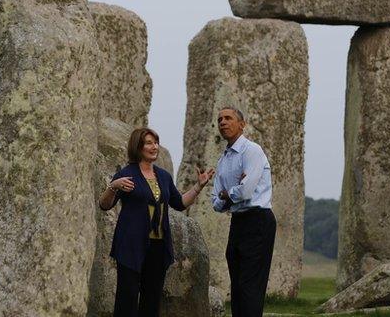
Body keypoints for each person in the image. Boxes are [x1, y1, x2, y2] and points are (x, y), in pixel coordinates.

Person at [99, 127, 214, 317]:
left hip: (158, 246)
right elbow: (105, 205)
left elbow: (179, 203)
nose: (155, 147)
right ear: (138, 147)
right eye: (149, 143)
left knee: (151, 299)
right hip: (131, 245)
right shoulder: (126, 173)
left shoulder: (163, 176)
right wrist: (113, 186)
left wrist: (198, 186)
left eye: (156, 142)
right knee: (126, 298)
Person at [210, 107, 276, 317]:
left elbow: (246, 191)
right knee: (237, 283)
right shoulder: (223, 160)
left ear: (242, 124)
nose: (223, 122)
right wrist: (230, 195)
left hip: (258, 219)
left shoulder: (252, 151)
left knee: (250, 284)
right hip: (238, 221)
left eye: (228, 118)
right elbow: (215, 202)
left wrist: (227, 195)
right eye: (220, 119)